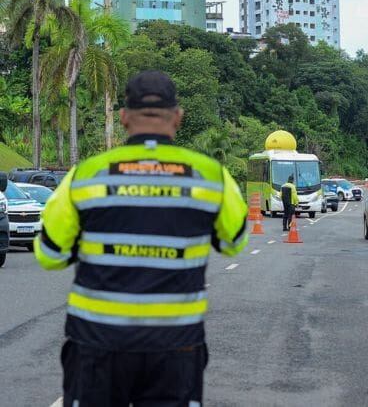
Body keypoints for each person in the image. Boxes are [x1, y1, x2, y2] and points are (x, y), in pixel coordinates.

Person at [34, 71, 248, 407]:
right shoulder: (211, 176)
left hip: (97, 342)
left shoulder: (86, 174)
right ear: (177, 117)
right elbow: (234, 242)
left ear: (123, 117)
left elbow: (50, 255)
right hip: (175, 346)